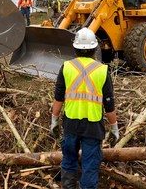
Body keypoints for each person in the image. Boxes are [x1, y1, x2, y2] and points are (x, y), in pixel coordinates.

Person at [50, 28, 119, 189]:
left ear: (75, 48)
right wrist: (114, 127)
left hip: (71, 124)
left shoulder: (66, 67)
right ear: (95, 48)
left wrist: (54, 119)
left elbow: (59, 97)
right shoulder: (102, 70)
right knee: (90, 164)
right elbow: (109, 103)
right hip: (93, 127)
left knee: (69, 159)